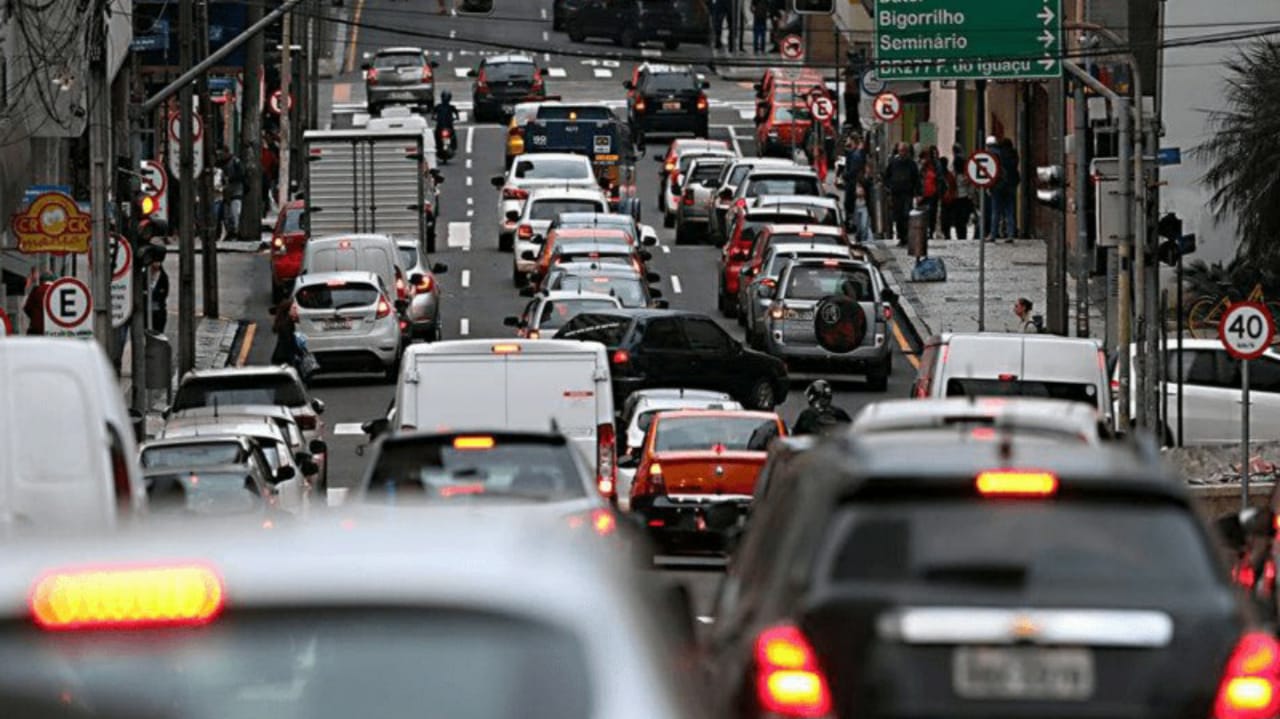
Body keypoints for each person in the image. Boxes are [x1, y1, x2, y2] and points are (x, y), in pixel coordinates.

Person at [882, 142, 920, 246]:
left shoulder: (911, 164)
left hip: (907, 193)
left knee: (906, 215)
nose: (902, 153)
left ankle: (906, 237)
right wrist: (889, 187)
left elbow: (916, 179)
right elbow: (887, 176)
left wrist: (918, 193)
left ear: (907, 152)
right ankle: (901, 236)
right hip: (896, 193)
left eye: (904, 151)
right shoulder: (893, 162)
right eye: (900, 150)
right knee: (898, 216)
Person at [994, 138, 1020, 242]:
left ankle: (993, 233)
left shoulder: (999, 155)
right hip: (1011, 185)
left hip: (1000, 185)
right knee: (1010, 211)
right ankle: (1010, 234)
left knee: (996, 211)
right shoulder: (1014, 155)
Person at [218, 146, 245, 241]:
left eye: (222, 154)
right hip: (226, 193)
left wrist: (230, 179)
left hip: (236, 192)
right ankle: (229, 232)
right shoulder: (221, 164)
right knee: (226, 215)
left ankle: (236, 232)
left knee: (235, 213)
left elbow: (241, 174)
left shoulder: (235, 162)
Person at [841, 135, 867, 233]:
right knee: (851, 206)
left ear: (852, 141)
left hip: (853, 184)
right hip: (852, 183)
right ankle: (852, 224)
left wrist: (844, 175)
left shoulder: (856, 155)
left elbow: (853, 171)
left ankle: (853, 225)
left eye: (848, 140)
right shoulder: (854, 153)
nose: (846, 142)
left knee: (851, 205)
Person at [271, 298, 302, 368]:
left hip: (281, 357)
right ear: (288, 311)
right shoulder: (287, 325)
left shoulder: (286, 323)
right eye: (294, 308)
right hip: (284, 358)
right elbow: (289, 342)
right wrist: (299, 353)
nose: (297, 310)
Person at [146, 257, 170, 333]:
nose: (157, 264)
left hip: (158, 310)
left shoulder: (163, 276)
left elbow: (165, 293)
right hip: (147, 310)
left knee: (158, 332)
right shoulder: (145, 275)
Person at [938, 156, 957, 240]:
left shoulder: (940, 175)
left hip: (942, 200)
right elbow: (954, 187)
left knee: (943, 217)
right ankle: (947, 233)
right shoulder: (949, 175)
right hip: (949, 200)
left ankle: (944, 232)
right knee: (947, 218)